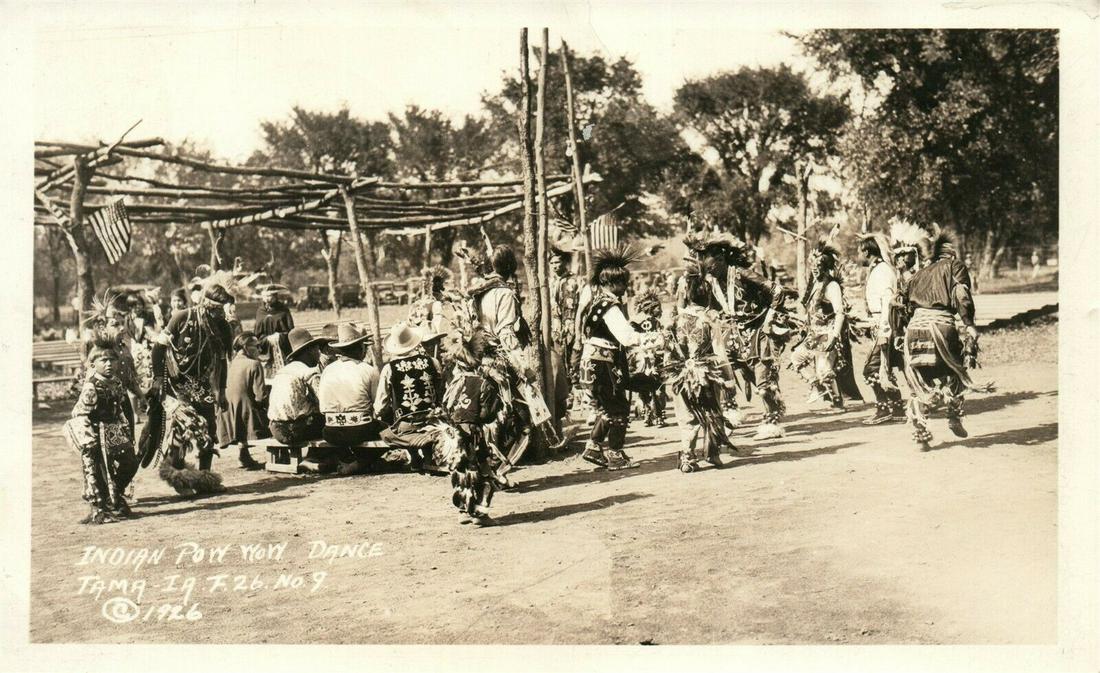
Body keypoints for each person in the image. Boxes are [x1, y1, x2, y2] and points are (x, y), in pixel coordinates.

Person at [901, 227, 993, 450]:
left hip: (914, 330)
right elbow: (962, 295)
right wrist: (969, 324)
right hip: (941, 326)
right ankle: (953, 415)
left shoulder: (917, 275)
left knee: (919, 382)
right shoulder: (955, 266)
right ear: (949, 252)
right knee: (955, 371)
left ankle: (921, 435)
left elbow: (902, 306)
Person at [578, 246, 661, 471]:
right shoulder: (610, 306)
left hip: (594, 362)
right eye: (623, 283)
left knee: (609, 407)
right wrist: (656, 339)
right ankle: (614, 454)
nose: (626, 288)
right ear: (613, 283)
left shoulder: (597, 303)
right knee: (618, 408)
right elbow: (626, 337)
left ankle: (594, 447)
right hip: (602, 364)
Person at [147, 283, 234, 494]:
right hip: (178, 383)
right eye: (215, 309)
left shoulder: (222, 326)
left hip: (202, 384)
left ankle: (205, 480)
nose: (219, 313)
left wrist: (221, 391)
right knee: (182, 430)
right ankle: (179, 479)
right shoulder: (182, 317)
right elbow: (158, 348)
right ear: (205, 304)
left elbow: (222, 362)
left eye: (222, 309)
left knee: (208, 430)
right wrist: (159, 378)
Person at [668, 265, 739, 472]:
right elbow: (720, 351)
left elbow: (669, 349)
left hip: (680, 373)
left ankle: (687, 457)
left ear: (688, 296)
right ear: (707, 297)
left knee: (686, 416)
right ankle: (712, 453)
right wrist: (730, 379)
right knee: (711, 411)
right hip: (706, 373)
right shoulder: (710, 320)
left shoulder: (675, 320)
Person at [62, 335, 139, 524]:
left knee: (131, 461)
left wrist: (126, 429)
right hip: (95, 433)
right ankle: (100, 506)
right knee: (96, 472)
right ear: (92, 363)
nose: (109, 364)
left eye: (112, 359)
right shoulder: (91, 386)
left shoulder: (116, 382)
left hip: (114, 431)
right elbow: (79, 414)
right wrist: (88, 439)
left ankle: (115, 494)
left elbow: (120, 408)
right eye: (103, 360)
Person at [439, 329, 510, 525]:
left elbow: (447, 407)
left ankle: (463, 511)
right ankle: (480, 514)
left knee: (462, 473)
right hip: (475, 434)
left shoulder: (455, 383)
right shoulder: (483, 383)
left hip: (456, 434)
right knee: (484, 473)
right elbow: (487, 414)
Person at [790, 240, 863, 412]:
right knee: (796, 358)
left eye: (818, 264)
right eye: (812, 265)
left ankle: (838, 403)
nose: (814, 268)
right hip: (813, 334)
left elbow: (840, 312)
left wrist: (834, 335)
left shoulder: (831, 286)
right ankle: (817, 387)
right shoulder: (815, 284)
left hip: (828, 334)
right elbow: (812, 310)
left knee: (824, 370)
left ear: (825, 265)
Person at [374, 322, 443, 470]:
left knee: (387, 430)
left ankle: (415, 454)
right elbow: (441, 391)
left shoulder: (389, 369)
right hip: (434, 420)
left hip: (406, 425)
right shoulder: (433, 362)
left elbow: (380, 404)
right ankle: (427, 454)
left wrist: (380, 414)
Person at [318, 323, 384, 474]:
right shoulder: (368, 370)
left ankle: (347, 460)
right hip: (360, 430)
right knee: (386, 430)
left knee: (343, 435)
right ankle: (360, 463)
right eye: (363, 346)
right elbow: (379, 405)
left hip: (331, 432)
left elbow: (322, 408)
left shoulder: (328, 370)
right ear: (359, 348)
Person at [858, 232, 905, 424]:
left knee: (871, 369)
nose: (858, 255)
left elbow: (887, 300)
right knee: (884, 368)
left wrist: (884, 329)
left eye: (860, 251)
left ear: (867, 251)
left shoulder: (883, 271)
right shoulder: (878, 269)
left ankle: (884, 408)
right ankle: (898, 409)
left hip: (886, 325)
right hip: (881, 323)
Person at [266, 327, 328, 445]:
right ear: (310, 350)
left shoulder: (283, 371)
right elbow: (324, 403)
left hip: (276, 429)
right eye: (316, 349)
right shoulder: (308, 372)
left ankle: (315, 457)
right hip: (296, 429)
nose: (319, 353)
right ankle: (320, 458)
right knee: (332, 426)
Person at [218, 331, 269, 470]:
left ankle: (243, 454)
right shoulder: (254, 364)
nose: (259, 350)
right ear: (246, 347)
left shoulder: (230, 364)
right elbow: (261, 396)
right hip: (247, 412)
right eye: (256, 346)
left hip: (227, 410)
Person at [630, 289, 668, 427]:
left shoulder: (656, 322)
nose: (660, 309)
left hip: (655, 358)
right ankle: (650, 414)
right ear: (650, 308)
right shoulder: (636, 322)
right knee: (650, 386)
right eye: (658, 307)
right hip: (644, 359)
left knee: (655, 386)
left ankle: (656, 415)